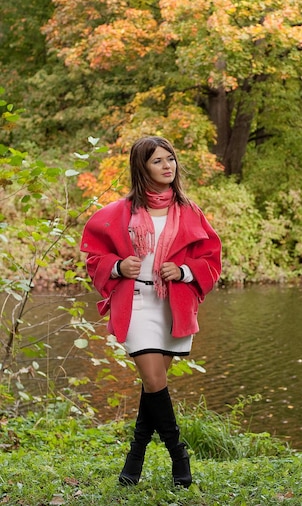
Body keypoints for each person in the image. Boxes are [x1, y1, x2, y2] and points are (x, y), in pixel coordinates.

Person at [80, 136, 222, 489]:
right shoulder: (119, 213)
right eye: (158, 161)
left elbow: (211, 260)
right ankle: (179, 455)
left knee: (152, 386)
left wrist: (184, 271)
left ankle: (135, 458)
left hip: (171, 305)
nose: (167, 166)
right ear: (141, 167)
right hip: (138, 303)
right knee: (156, 381)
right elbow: (94, 258)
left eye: (170, 159)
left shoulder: (188, 211)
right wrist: (116, 267)